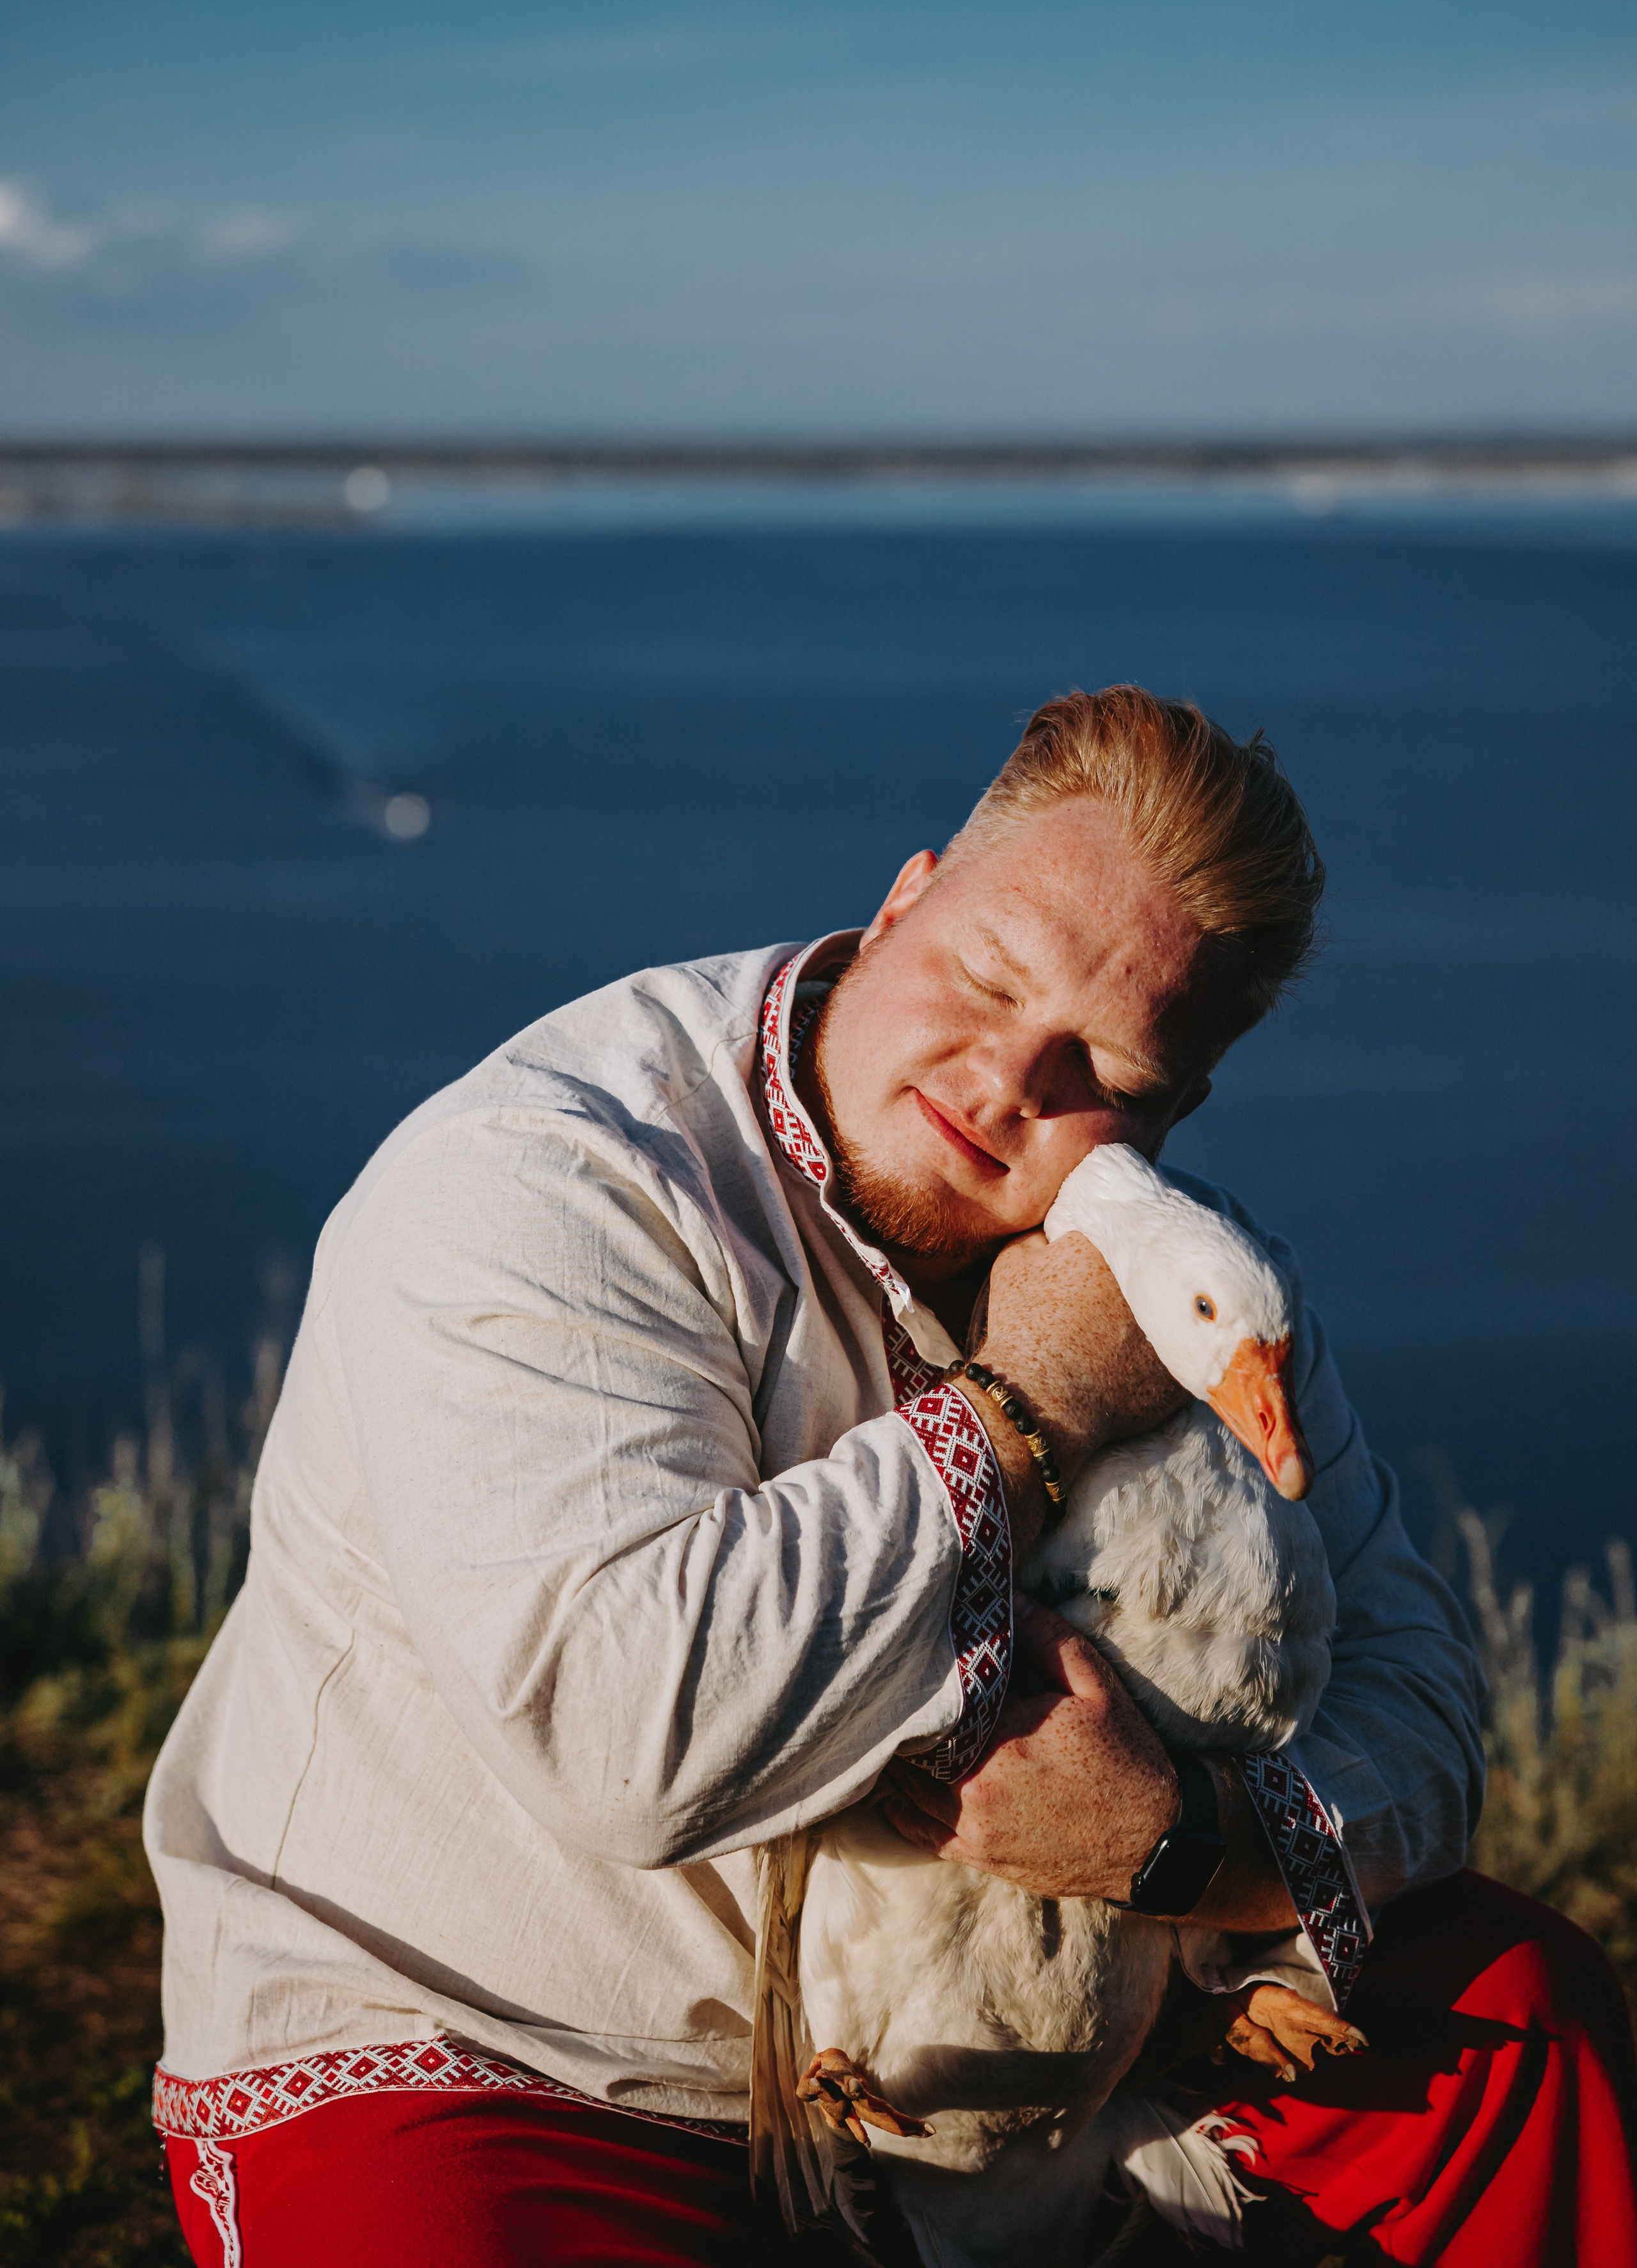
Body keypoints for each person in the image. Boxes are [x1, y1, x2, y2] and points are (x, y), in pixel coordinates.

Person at [146, 687, 1637, 2267]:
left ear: (1174, 1107)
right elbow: (626, 1744)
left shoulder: (1180, 1266)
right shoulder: (547, 1176)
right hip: (517, 2050)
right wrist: (1030, 1404)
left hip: (1033, 2061)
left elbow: (1423, 1705)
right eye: (984, 977)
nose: (1005, 1082)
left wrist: (1183, 1844)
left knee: (1512, 2025)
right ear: (902, 895)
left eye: (1100, 1069)